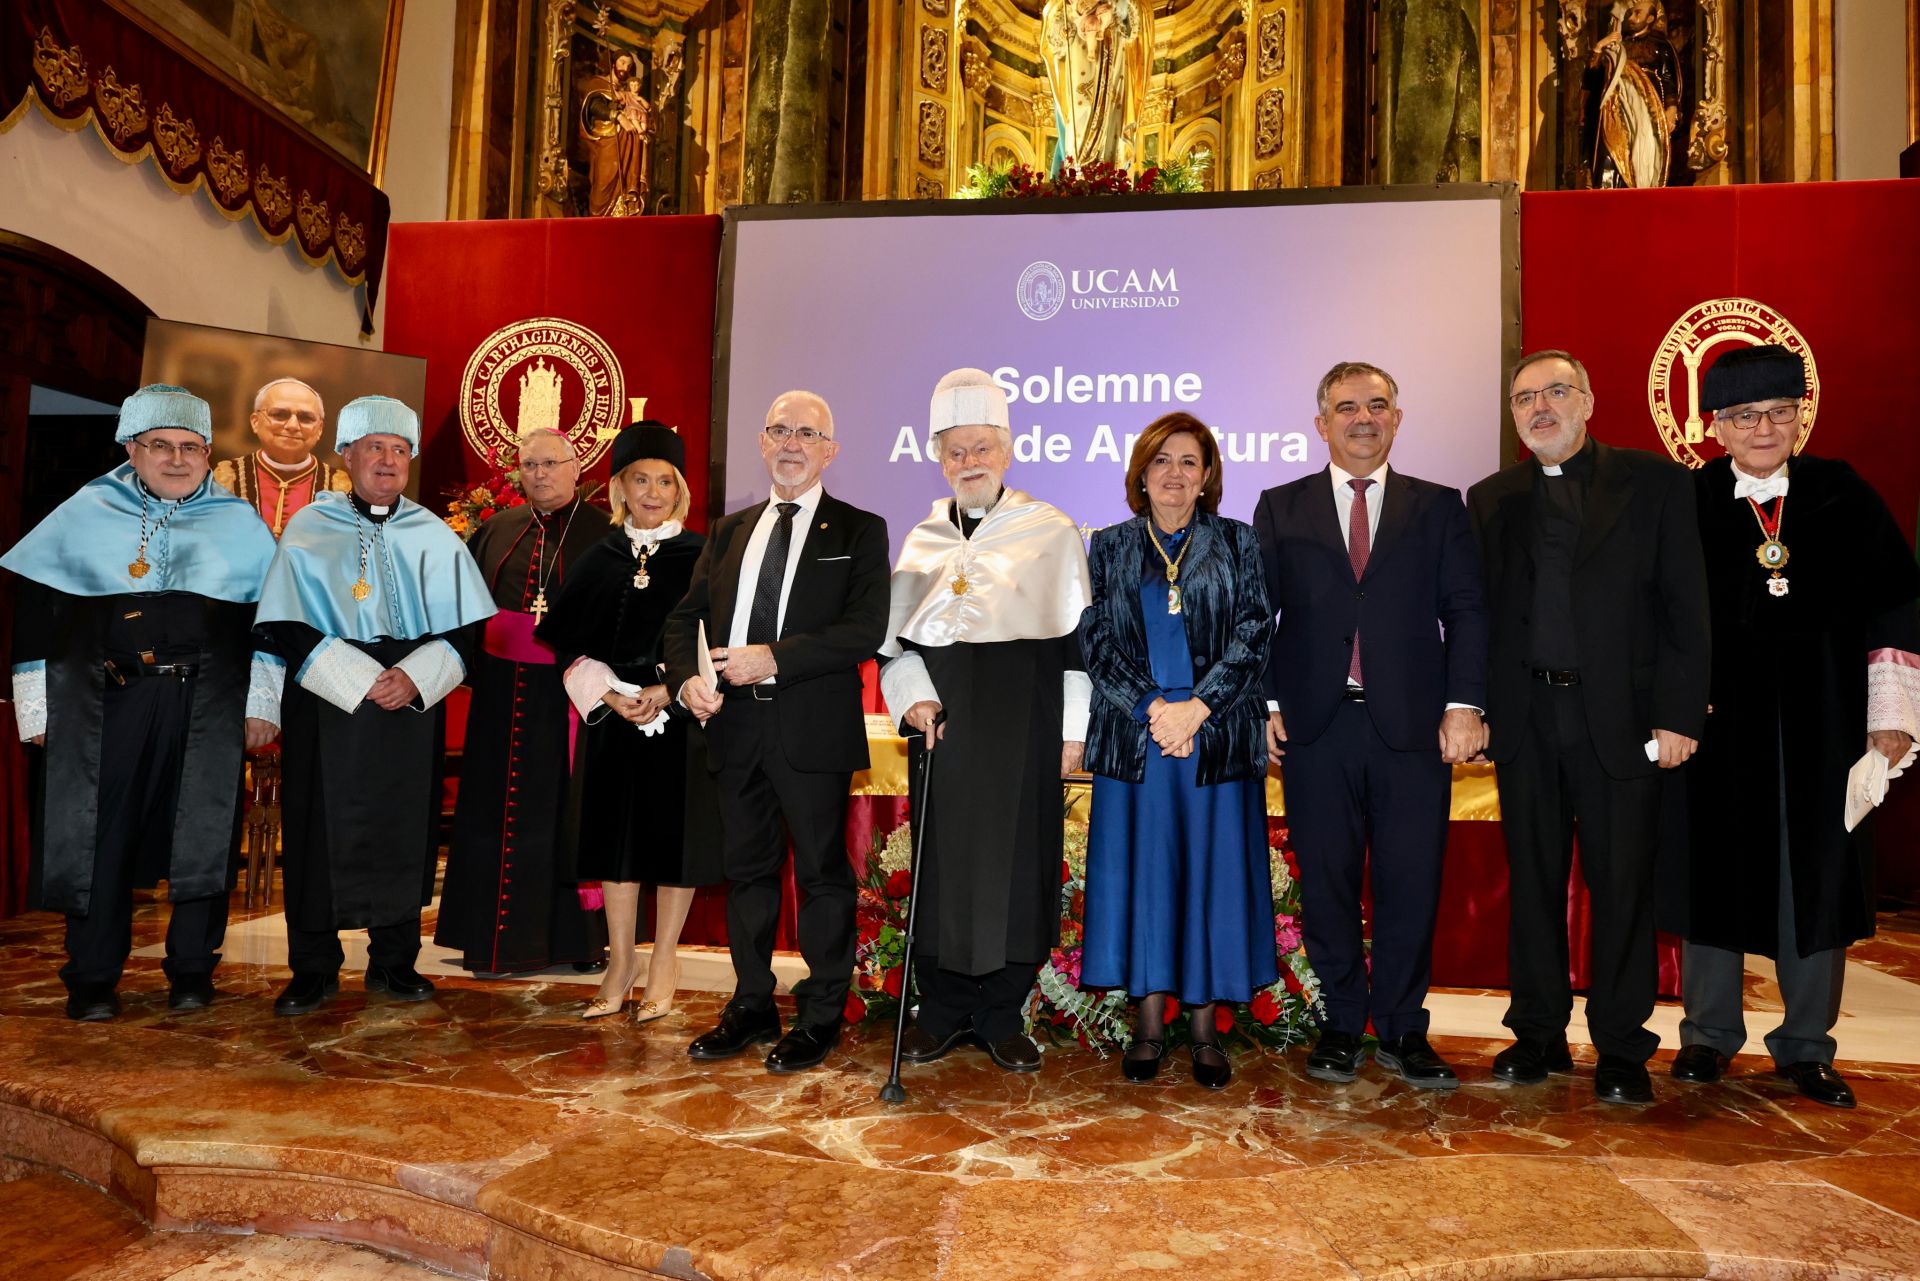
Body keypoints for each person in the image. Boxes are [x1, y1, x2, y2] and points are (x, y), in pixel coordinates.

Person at [1665, 344, 1920, 1109]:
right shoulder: (1689, 501)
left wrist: (1892, 721)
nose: (1764, 428)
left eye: (1779, 412)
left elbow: (1895, 605)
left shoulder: (1843, 494)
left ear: (1801, 417)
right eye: (1745, 416)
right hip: (1715, 729)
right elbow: (1659, 618)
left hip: (1826, 724)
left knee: (1815, 880)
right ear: (1715, 428)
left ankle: (1806, 1047)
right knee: (1711, 875)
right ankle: (1708, 1038)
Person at [1467, 349, 1709, 1106]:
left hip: (1622, 722)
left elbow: (1686, 609)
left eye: (1555, 392)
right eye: (1524, 397)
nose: (1540, 407)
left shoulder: (1659, 484)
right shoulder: (1490, 497)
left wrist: (1677, 712)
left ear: (1589, 399)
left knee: (1622, 885)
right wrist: (1470, 706)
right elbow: (1476, 620)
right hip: (1525, 720)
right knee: (1533, 883)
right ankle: (1537, 1033)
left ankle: (1622, 1046)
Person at [3, 385, 280, 1020]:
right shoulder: (83, 512)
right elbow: (35, 618)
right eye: (161, 446)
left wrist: (262, 703)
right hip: (106, 705)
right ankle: (93, 976)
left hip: (205, 704)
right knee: (100, 837)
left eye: (191, 447)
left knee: (203, 832)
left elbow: (271, 624)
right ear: (133, 448)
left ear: (208, 454)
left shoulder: (240, 524)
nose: (177, 459)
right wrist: (37, 710)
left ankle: (191, 970)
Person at [1253, 362, 1489, 1090]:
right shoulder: (1280, 505)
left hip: (1414, 731)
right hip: (1315, 729)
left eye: (1377, 405)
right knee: (1325, 883)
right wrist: (1265, 704)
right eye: (1347, 407)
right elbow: (1255, 617)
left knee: (1410, 883)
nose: (1363, 418)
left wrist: (1465, 704)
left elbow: (1468, 611)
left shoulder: (1439, 506)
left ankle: (1403, 1028)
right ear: (1321, 422)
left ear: (1398, 417)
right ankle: (1340, 1024)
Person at [662, 391, 889, 1073]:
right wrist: (686, 680)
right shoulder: (729, 531)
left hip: (811, 729)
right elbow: (684, 621)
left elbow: (863, 630)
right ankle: (752, 1002)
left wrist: (775, 658)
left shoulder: (859, 529)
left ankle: (820, 1015)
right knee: (748, 874)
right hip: (733, 727)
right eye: (780, 430)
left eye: (808, 433)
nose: (792, 443)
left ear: (830, 450)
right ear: (762, 442)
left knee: (822, 877)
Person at [879, 369, 1092, 1073]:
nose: (969, 461)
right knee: (942, 866)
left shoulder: (1050, 530)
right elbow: (896, 648)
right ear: (939, 458)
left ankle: (1003, 1014)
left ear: (1006, 451)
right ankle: (940, 1011)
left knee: (1018, 865)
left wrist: (1072, 734)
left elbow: (1076, 648)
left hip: (1024, 731)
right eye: (955, 451)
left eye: (981, 448)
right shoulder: (922, 539)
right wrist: (912, 694)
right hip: (944, 731)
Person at [254, 396, 495, 1016]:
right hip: (331, 702)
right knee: (317, 829)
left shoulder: (435, 536)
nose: (387, 461)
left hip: (408, 710)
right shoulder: (309, 528)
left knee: (403, 828)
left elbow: (467, 633)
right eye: (375, 448)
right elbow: (285, 622)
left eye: (399, 450)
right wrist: (361, 676)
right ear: (347, 456)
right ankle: (313, 967)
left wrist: (413, 678)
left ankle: (394, 961)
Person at [1079, 412, 1274, 1089]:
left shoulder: (1239, 541)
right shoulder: (1108, 544)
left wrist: (1198, 707)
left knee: (1209, 879)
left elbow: (1253, 635)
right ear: (1140, 472)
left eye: (1188, 461)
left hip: (1213, 740)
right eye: (1161, 461)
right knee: (1147, 877)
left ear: (1208, 474)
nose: (1174, 473)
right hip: (1141, 740)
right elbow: (1096, 641)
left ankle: (1202, 1029)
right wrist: (1158, 710)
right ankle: (1148, 1024)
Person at [536, 422, 723, 1021]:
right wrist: (614, 697)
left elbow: (717, 638)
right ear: (619, 487)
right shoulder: (603, 554)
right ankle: (621, 960)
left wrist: (666, 691)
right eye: (639, 480)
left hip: (680, 714)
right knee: (615, 841)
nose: (652, 492)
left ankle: (663, 958)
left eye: (664, 481)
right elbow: (568, 644)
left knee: (674, 839)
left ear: (680, 490)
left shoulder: (703, 555)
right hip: (613, 716)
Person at [436, 428, 607, 978]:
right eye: (529, 464)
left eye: (551, 463)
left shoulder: (606, 534)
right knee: (491, 811)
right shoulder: (494, 529)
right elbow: (461, 610)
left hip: (572, 698)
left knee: (566, 814)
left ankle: (573, 943)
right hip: (498, 698)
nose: (539, 474)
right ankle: (486, 938)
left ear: (576, 467)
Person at [212, 377, 351, 537]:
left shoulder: (338, 487)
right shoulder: (227, 478)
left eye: (305, 418)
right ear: (255, 422)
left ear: (319, 429)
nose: (292, 426)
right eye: (279, 415)